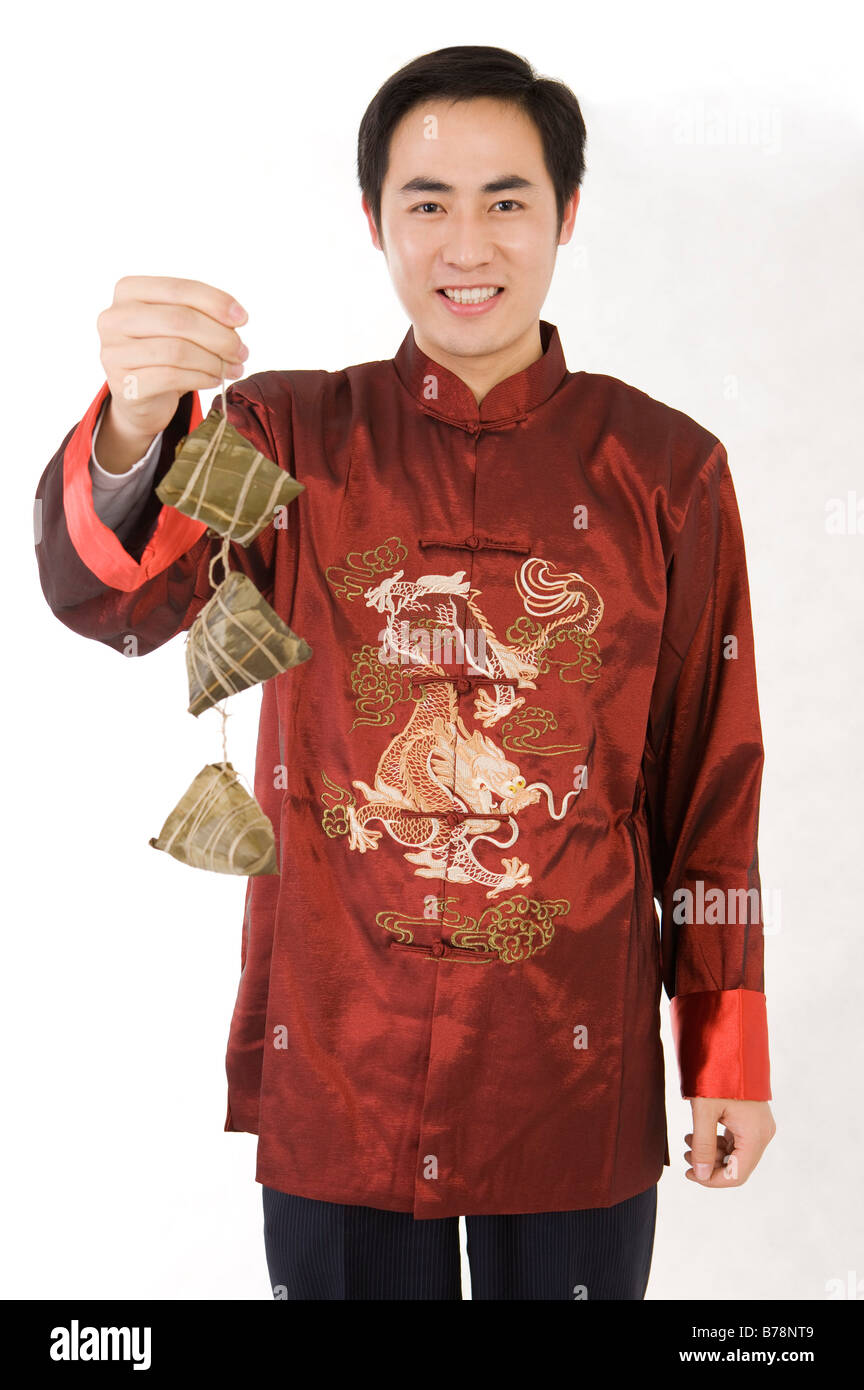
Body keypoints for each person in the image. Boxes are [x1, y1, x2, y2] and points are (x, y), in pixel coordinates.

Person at [34, 45, 776, 1301]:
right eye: (427, 203)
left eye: (507, 200)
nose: (466, 242)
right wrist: (132, 423)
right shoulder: (281, 433)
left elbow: (714, 792)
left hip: (572, 1077)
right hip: (341, 1065)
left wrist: (728, 1051)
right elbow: (113, 597)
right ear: (373, 219)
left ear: (567, 214)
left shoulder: (668, 471)